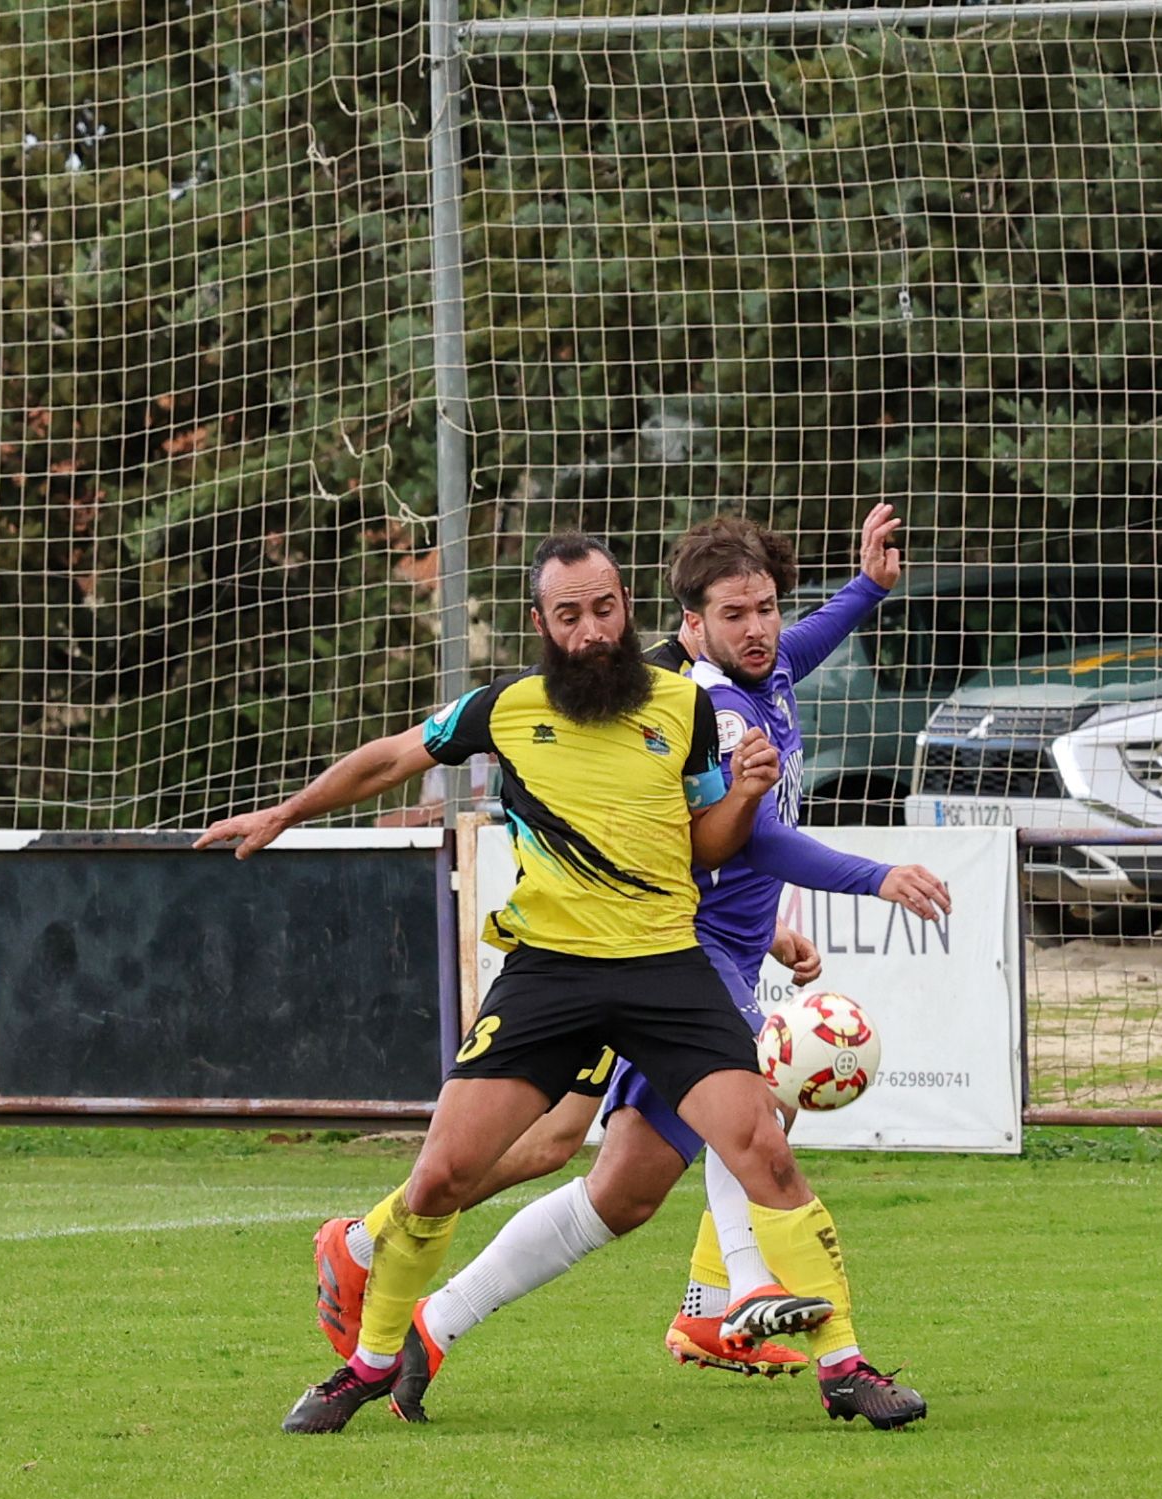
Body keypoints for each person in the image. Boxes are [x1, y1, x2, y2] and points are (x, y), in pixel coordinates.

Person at [197, 531, 873, 1433]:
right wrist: (288, 811)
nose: (591, 630)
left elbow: (705, 845)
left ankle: (838, 1362)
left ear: (625, 607)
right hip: (551, 974)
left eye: (603, 609)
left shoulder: (682, 708)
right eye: (569, 615)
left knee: (752, 1146)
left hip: (663, 970)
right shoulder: (505, 708)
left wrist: (743, 797)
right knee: (446, 1175)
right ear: (543, 625)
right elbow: (392, 757)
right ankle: (374, 1350)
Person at [375, 511, 948, 1430]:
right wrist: (878, 876)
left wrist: (869, 588)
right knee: (751, 1115)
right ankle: (775, 1315)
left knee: (620, 1194)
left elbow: (805, 641)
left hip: (707, 948)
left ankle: (432, 1325)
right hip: (677, 958)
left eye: (765, 607)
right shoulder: (709, 707)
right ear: (691, 628)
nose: (759, 626)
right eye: (735, 613)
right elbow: (751, 840)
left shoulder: (768, 666)